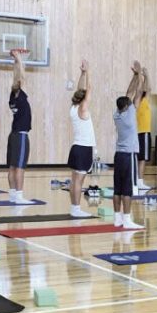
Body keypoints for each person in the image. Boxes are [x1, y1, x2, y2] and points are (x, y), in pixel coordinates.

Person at [112, 61, 143, 230]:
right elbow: (137, 93)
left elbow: (128, 93)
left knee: (117, 189)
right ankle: (127, 220)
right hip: (130, 155)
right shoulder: (131, 114)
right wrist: (140, 76)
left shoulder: (117, 115)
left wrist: (134, 76)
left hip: (119, 155)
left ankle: (117, 218)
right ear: (128, 107)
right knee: (128, 190)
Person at [67, 60, 94, 218]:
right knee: (79, 181)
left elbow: (81, 90)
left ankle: (74, 208)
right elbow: (88, 89)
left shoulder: (73, 108)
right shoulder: (82, 109)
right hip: (83, 148)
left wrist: (82, 73)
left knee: (74, 180)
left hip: (77, 147)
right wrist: (88, 72)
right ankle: (76, 209)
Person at [7, 49, 33, 204]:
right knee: (20, 167)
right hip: (21, 135)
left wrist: (16, 63)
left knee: (12, 166)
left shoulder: (12, 96)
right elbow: (21, 77)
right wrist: (19, 59)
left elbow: (17, 78)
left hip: (13, 134)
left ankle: (12, 194)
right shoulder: (19, 96)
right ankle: (19, 196)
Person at [136, 65, 152, 192]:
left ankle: (138, 180)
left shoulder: (145, 99)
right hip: (142, 132)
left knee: (141, 159)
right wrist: (143, 76)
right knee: (142, 159)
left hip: (142, 132)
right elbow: (143, 88)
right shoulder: (138, 100)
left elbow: (149, 89)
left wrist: (145, 75)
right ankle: (139, 181)